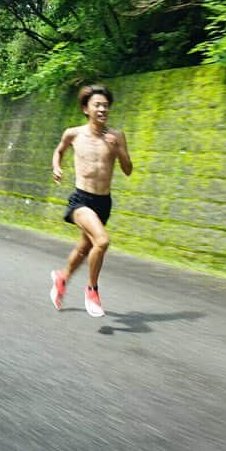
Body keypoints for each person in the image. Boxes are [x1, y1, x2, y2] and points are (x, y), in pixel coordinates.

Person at [49, 85, 133, 317]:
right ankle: (92, 290)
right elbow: (59, 150)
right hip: (81, 200)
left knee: (85, 248)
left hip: (103, 202)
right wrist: (56, 166)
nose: (102, 109)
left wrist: (119, 151)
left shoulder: (116, 136)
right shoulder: (74, 134)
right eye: (97, 105)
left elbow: (128, 170)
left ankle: (62, 277)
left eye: (106, 105)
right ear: (86, 108)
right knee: (102, 241)